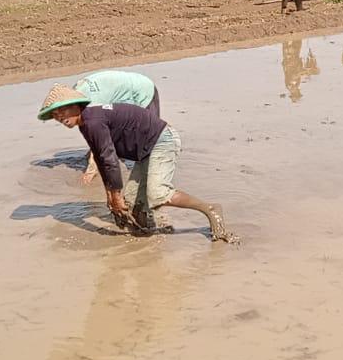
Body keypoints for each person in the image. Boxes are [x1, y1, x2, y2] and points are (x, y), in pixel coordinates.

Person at [38, 83, 235, 242]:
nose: (59, 118)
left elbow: (110, 159)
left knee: (157, 193)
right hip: (145, 151)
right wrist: (110, 195)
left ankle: (210, 210)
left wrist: (115, 196)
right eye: (55, 115)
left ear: (76, 105)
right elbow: (101, 157)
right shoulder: (87, 122)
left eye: (62, 111)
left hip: (161, 141)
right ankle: (147, 234)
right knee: (131, 203)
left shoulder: (93, 121)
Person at [73, 70, 159, 185]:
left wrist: (91, 169)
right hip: (126, 85)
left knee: (149, 138)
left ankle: (152, 177)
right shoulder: (75, 93)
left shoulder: (91, 105)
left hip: (143, 90)